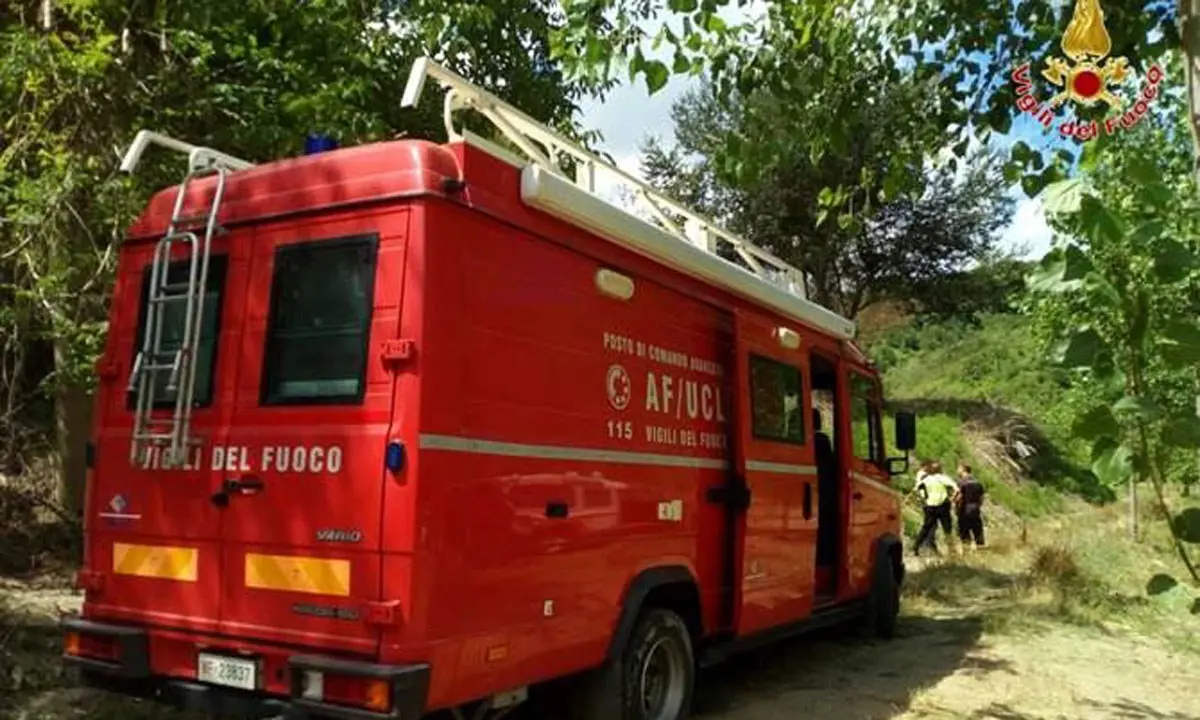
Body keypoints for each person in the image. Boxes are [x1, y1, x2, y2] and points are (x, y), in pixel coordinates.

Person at [911, 460, 958, 556]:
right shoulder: (943, 478)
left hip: (930, 506)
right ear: (940, 469)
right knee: (947, 528)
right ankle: (952, 550)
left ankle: (915, 548)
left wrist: (923, 498)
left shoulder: (926, 479)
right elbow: (956, 489)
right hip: (943, 506)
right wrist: (952, 498)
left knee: (926, 528)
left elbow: (916, 489)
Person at [954, 463, 986, 550]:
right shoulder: (978, 482)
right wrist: (977, 506)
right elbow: (981, 498)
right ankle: (982, 551)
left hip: (964, 510)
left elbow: (959, 497)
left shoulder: (961, 483)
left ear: (963, 470)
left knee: (964, 533)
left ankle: (967, 553)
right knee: (977, 531)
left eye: (958, 469)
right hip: (975, 509)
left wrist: (955, 505)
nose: (957, 471)